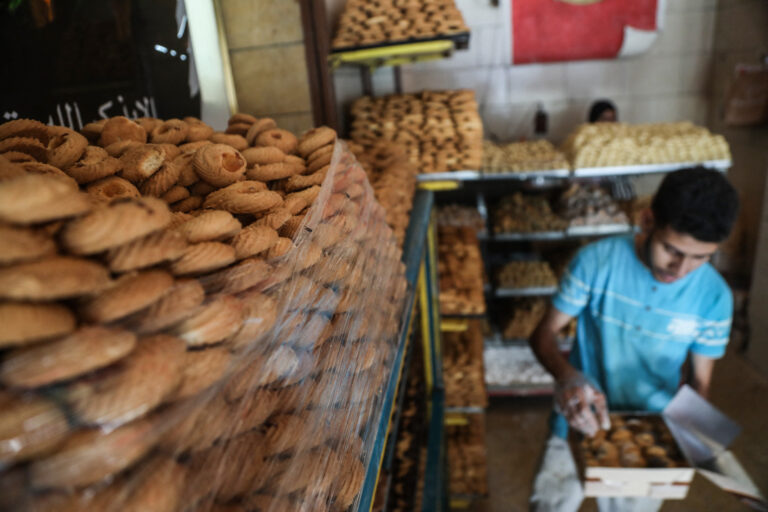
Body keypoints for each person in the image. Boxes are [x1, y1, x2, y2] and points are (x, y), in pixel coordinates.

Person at [529, 167, 740, 512]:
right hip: (578, 415)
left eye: (701, 257)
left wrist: (694, 438)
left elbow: (700, 382)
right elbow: (542, 336)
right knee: (551, 503)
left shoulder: (714, 297)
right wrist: (568, 377)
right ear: (646, 221)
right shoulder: (596, 262)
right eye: (671, 249)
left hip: (651, 430)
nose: (680, 269)